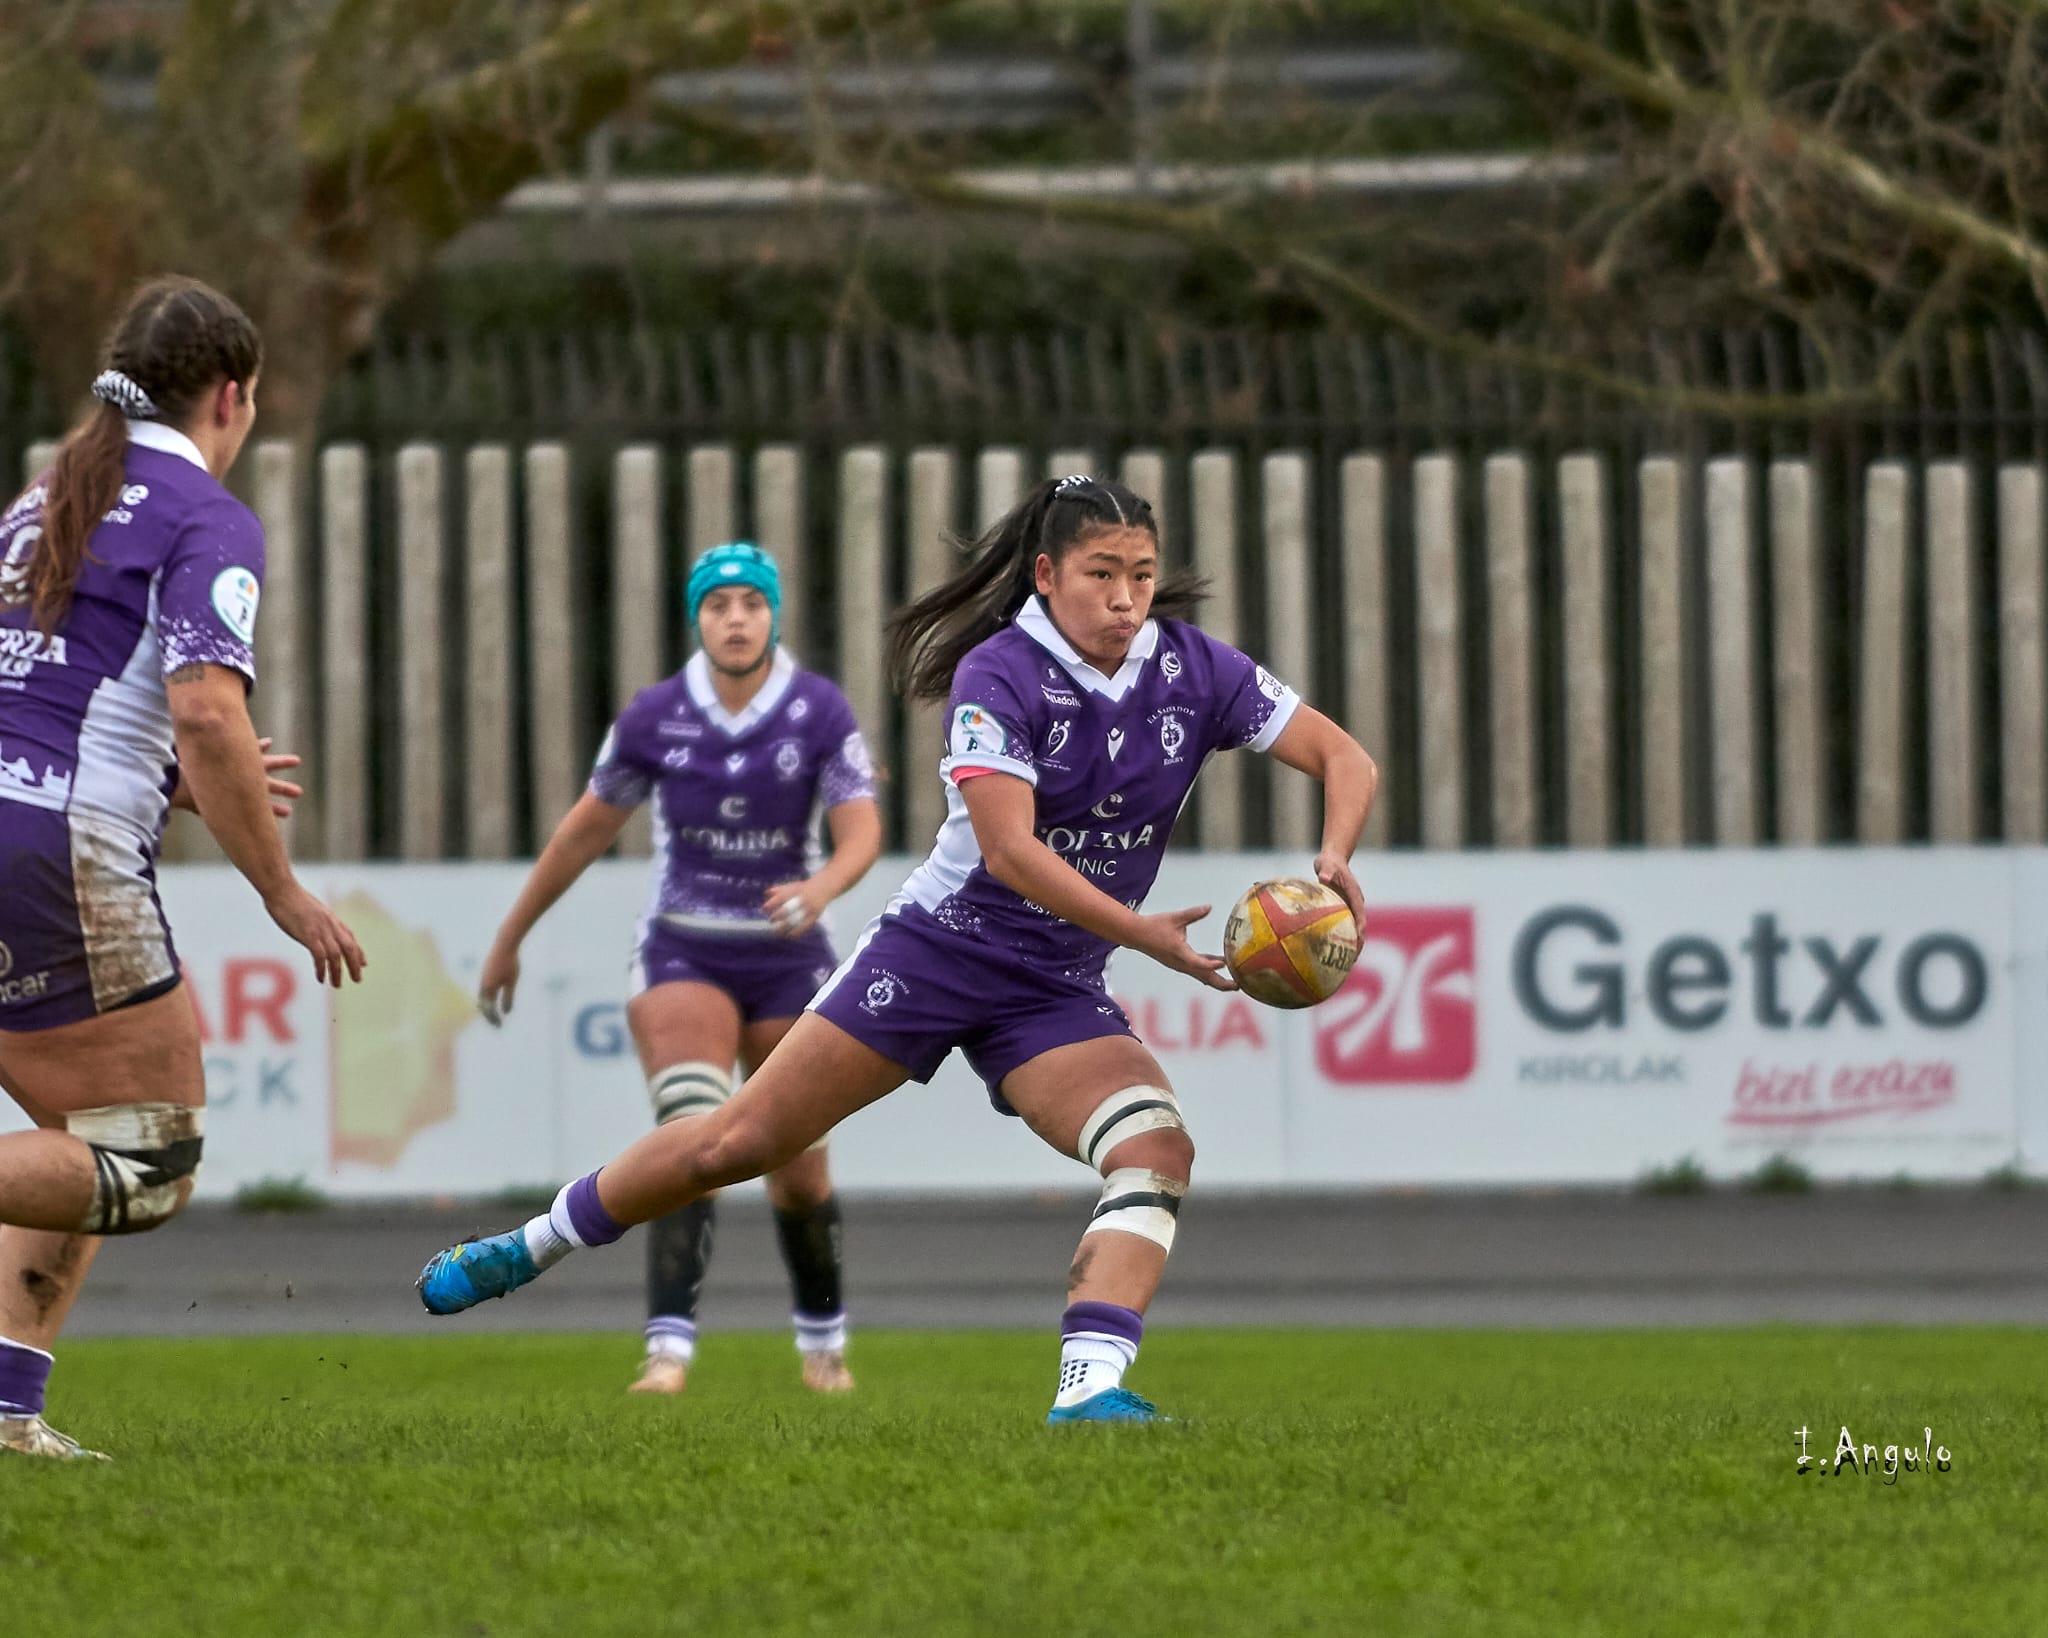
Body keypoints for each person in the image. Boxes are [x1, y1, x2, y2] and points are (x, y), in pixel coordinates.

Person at [419, 474, 1376, 1425]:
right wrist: (1141, 934)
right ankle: (532, 1243)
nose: (1126, 600)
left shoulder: (1195, 668)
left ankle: (1089, 1391)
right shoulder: (999, 674)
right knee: (737, 1141)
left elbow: (1347, 758)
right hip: (937, 954)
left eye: (1141, 575)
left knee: (1155, 1149)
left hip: (1051, 987)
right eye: (1101, 575)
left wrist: (1332, 860)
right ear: (1046, 574)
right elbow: (1008, 851)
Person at [0, 276, 364, 1460]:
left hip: (25, 816)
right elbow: (206, 714)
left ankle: (6, 1408)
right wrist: (283, 889)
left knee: (80, 1123)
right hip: (52, 846)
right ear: (231, 394)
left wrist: (164, 779)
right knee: (144, 1153)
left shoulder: (42, 497)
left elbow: (51, 696)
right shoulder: (202, 513)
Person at [475, 542, 882, 1394]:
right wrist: (511, 934)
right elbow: (584, 831)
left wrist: (821, 886)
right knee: (692, 1129)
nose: (736, 618)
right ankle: (667, 1352)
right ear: (695, 619)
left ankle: (823, 1345)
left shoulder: (818, 710)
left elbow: (861, 833)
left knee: (797, 1165)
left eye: (751, 603)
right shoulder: (656, 714)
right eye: (717, 605)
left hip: (790, 956)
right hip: (684, 947)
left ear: (774, 615)